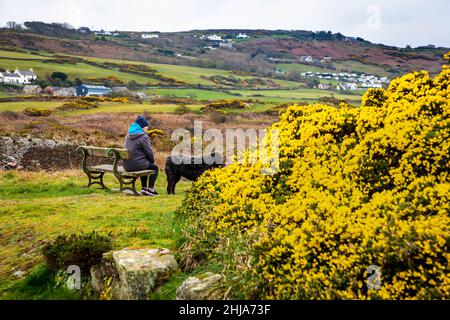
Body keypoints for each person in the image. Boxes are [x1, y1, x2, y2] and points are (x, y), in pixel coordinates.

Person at [123, 115, 159, 196]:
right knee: (155, 167)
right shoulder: (143, 136)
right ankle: (150, 189)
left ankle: (144, 188)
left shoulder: (128, 134)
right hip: (137, 165)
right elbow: (149, 152)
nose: (146, 130)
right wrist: (152, 161)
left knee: (145, 164)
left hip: (127, 165)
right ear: (141, 127)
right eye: (146, 128)